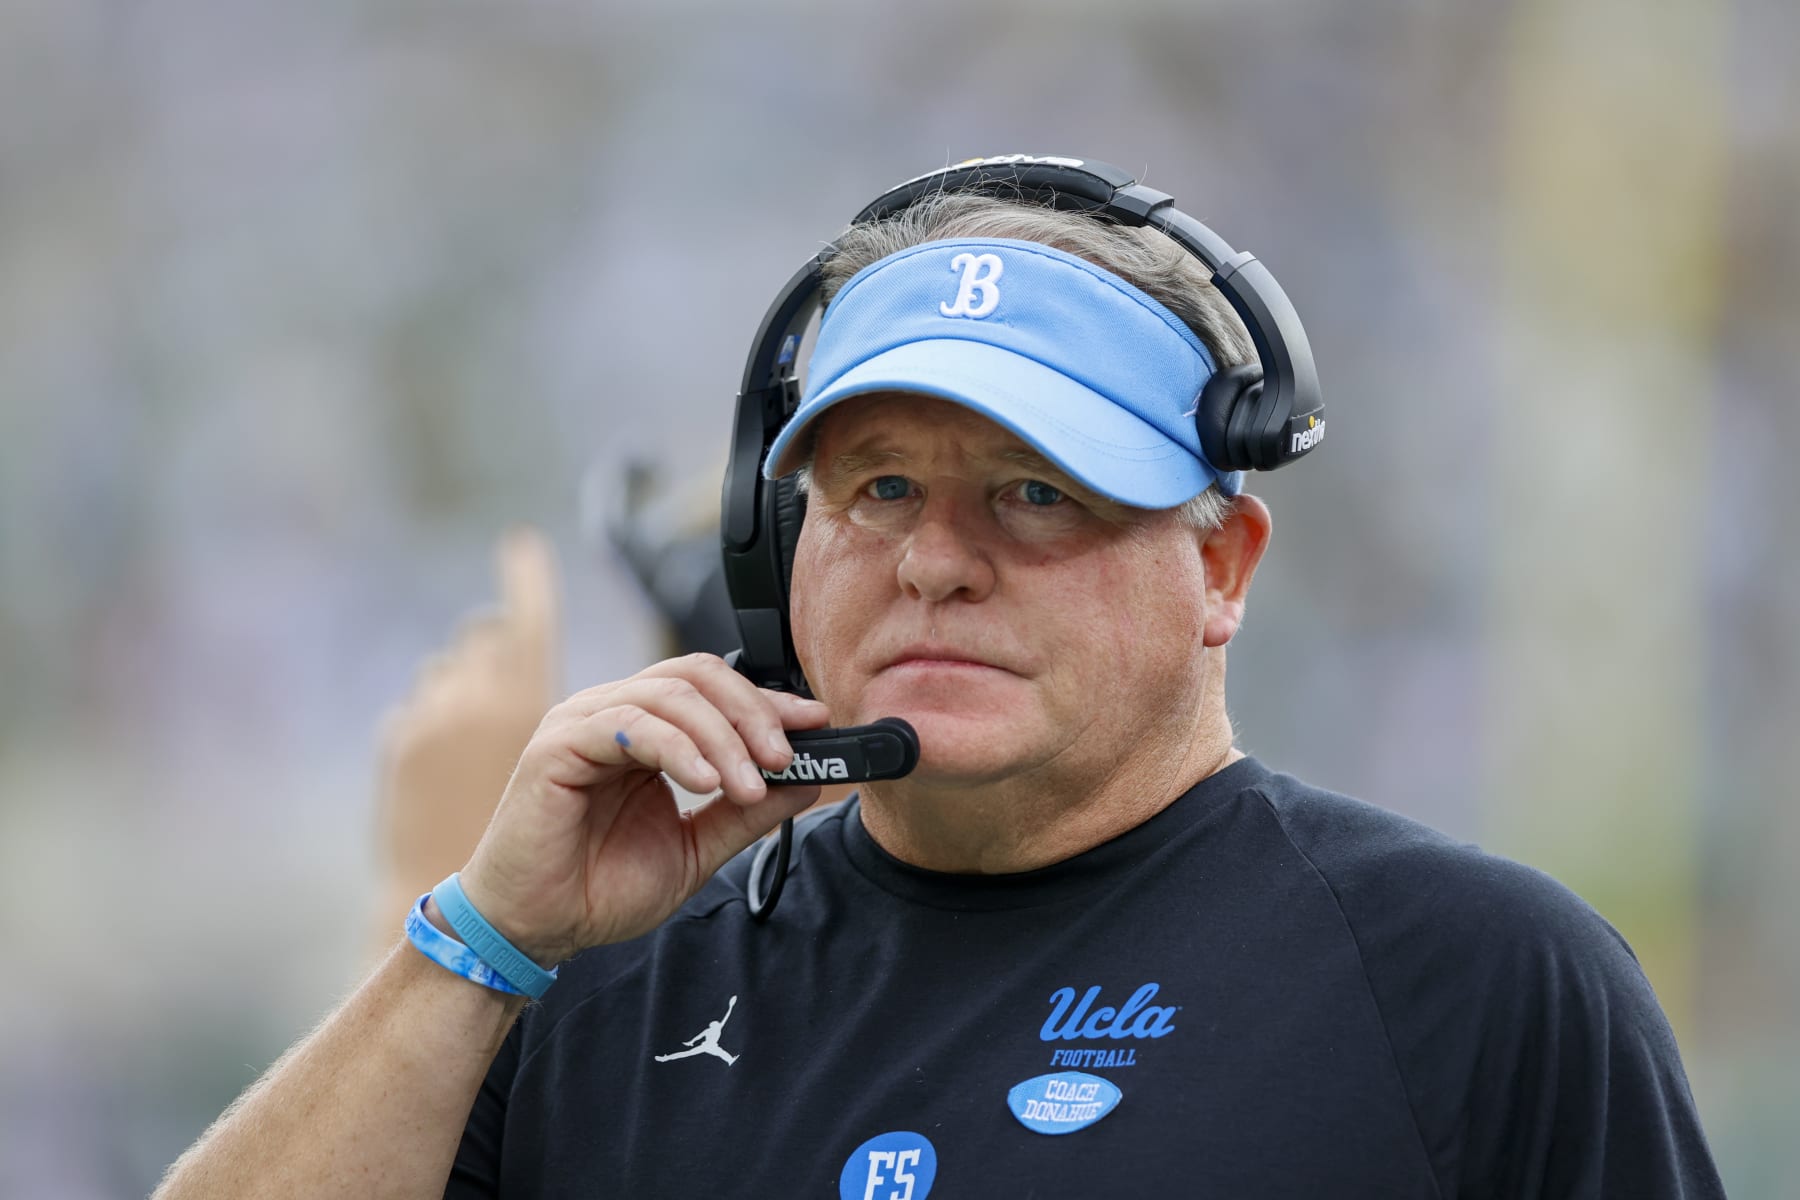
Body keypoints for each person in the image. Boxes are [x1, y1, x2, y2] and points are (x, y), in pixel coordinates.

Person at [156, 159, 1723, 1198]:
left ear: (1225, 567)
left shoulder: (1474, 979)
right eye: (879, 489)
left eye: (1039, 493)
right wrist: (477, 941)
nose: (934, 560)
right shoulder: (591, 981)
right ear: (789, 545)